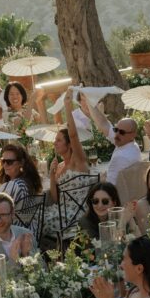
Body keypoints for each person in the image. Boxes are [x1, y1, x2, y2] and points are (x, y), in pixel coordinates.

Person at [42, 94, 91, 238]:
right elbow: (56, 199)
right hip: (62, 210)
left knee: (40, 221)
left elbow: (74, 135)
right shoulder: (60, 165)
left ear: (69, 144)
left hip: (78, 212)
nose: (54, 143)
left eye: (59, 140)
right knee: (37, 217)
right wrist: (52, 176)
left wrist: (68, 108)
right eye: (55, 140)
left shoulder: (79, 161)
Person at [79, 94, 142, 186]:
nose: (117, 134)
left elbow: (109, 187)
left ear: (133, 135)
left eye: (122, 132)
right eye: (116, 130)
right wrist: (88, 100)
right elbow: (103, 123)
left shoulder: (121, 157)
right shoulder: (130, 145)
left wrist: (102, 178)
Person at [0, 143, 44, 231]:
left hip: (13, 235)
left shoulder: (15, 185)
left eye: (9, 162)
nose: (5, 165)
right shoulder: (27, 181)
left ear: (21, 163)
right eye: (3, 161)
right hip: (28, 230)